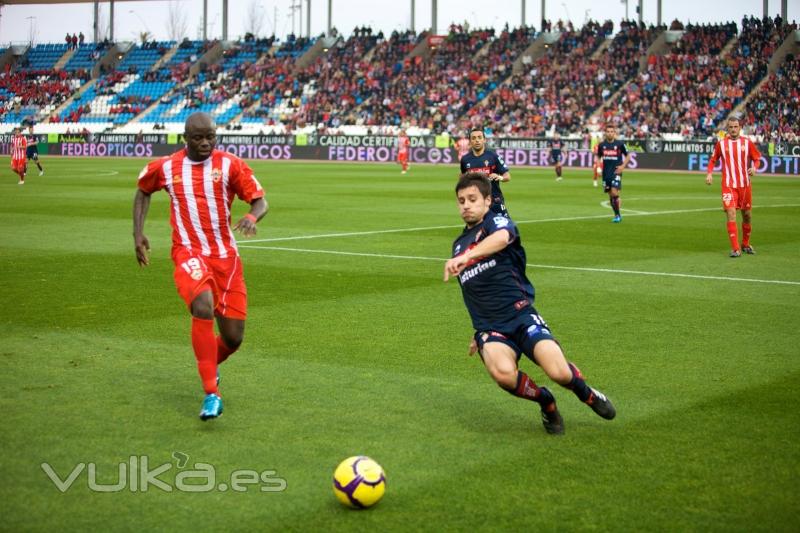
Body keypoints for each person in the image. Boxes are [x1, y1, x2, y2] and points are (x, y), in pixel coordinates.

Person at [444, 173, 616, 435]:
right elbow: (473, 290)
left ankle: (586, 393)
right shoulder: (458, 245)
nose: (466, 205)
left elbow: (502, 238)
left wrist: (468, 256)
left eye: (472, 199)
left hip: (521, 316)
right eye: (461, 201)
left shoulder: (496, 223)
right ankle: (545, 402)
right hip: (491, 327)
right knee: (503, 374)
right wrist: (477, 329)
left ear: (487, 201)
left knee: (559, 372)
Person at [133, 112, 268, 421]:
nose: (206, 142)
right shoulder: (166, 167)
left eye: (211, 136)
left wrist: (251, 217)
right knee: (202, 305)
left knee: (233, 338)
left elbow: (260, 201)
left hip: (227, 259)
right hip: (188, 252)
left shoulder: (230, 164)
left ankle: (211, 363)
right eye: (198, 137)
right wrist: (137, 233)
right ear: (185, 138)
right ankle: (211, 394)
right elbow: (142, 190)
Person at [705, 116, 761, 257]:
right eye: (731, 127)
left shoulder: (747, 143)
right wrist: (709, 173)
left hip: (745, 185)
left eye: (736, 126)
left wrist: (754, 168)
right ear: (727, 129)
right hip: (729, 185)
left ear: (740, 128)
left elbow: (757, 158)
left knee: (747, 216)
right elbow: (713, 160)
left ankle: (745, 244)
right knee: (731, 213)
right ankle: (735, 248)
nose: (733, 129)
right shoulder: (721, 144)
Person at [459, 127, 511, 216]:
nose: (477, 140)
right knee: (481, 228)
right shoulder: (465, 160)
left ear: (484, 140)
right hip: (476, 202)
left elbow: (507, 176)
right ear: (470, 141)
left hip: (495, 200)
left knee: (505, 227)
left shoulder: (493, 156)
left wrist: (500, 177)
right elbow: (462, 176)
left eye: (479, 137)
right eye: (474, 138)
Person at [595, 124, 632, 222]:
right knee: (610, 194)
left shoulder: (620, 144)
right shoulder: (601, 145)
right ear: (605, 133)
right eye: (608, 131)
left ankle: (618, 215)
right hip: (606, 173)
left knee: (614, 192)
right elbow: (598, 156)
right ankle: (616, 214)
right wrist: (598, 167)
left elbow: (628, 155)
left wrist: (623, 166)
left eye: (612, 131)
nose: (610, 133)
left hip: (616, 171)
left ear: (614, 133)